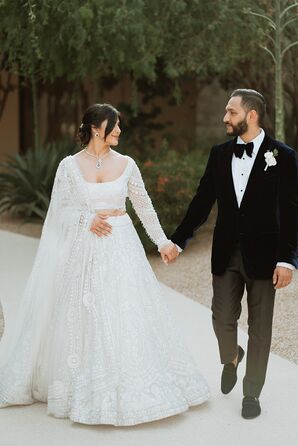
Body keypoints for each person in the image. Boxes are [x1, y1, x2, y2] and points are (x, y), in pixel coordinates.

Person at [0, 103, 209, 426]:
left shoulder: (127, 164)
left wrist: (163, 242)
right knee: (84, 314)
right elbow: (58, 213)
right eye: (115, 125)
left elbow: (143, 205)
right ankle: (83, 384)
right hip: (82, 252)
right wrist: (86, 219)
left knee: (122, 311)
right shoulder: (68, 167)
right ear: (97, 127)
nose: (120, 131)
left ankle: (130, 383)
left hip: (121, 248)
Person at [165, 89, 298, 419]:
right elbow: (202, 201)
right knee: (221, 317)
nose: (225, 117)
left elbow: (292, 210)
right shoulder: (220, 154)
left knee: (261, 327)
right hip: (226, 252)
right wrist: (178, 240)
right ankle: (232, 355)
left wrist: (287, 259)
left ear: (251, 115)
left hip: (266, 256)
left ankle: (251, 393)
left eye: (231, 112)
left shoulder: (283, 156)